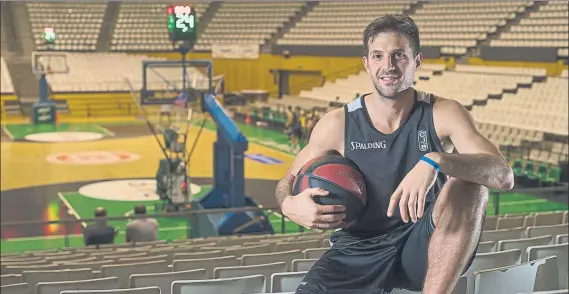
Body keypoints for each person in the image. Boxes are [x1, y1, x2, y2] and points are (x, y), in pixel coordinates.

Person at [274, 15, 514, 294]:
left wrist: (436, 160)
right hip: (357, 248)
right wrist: (288, 205)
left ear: (417, 61)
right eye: (378, 56)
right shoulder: (337, 124)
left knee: (470, 185)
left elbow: (502, 175)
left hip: (424, 244)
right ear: (367, 63)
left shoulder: (443, 113)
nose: (387, 66)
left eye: (398, 55)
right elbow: (288, 180)